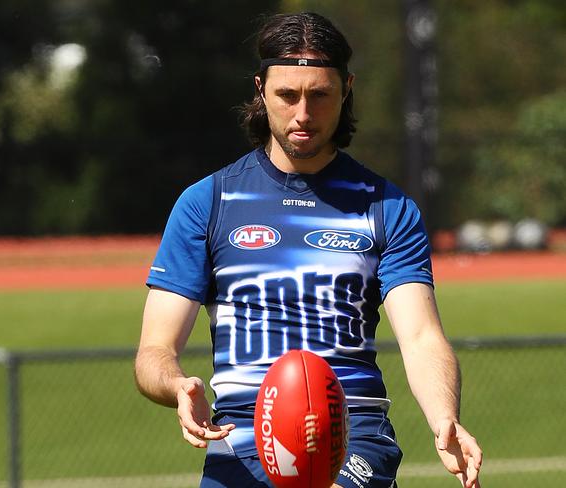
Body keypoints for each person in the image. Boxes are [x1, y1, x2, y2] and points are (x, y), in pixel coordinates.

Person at [135, 11, 482, 488]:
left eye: (319, 95)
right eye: (287, 95)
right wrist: (174, 384)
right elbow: (155, 349)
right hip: (240, 439)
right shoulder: (207, 203)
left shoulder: (387, 207)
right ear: (261, 90)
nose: (303, 113)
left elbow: (421, 337)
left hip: (352, 435)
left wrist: (445, 416)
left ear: (346, 89)